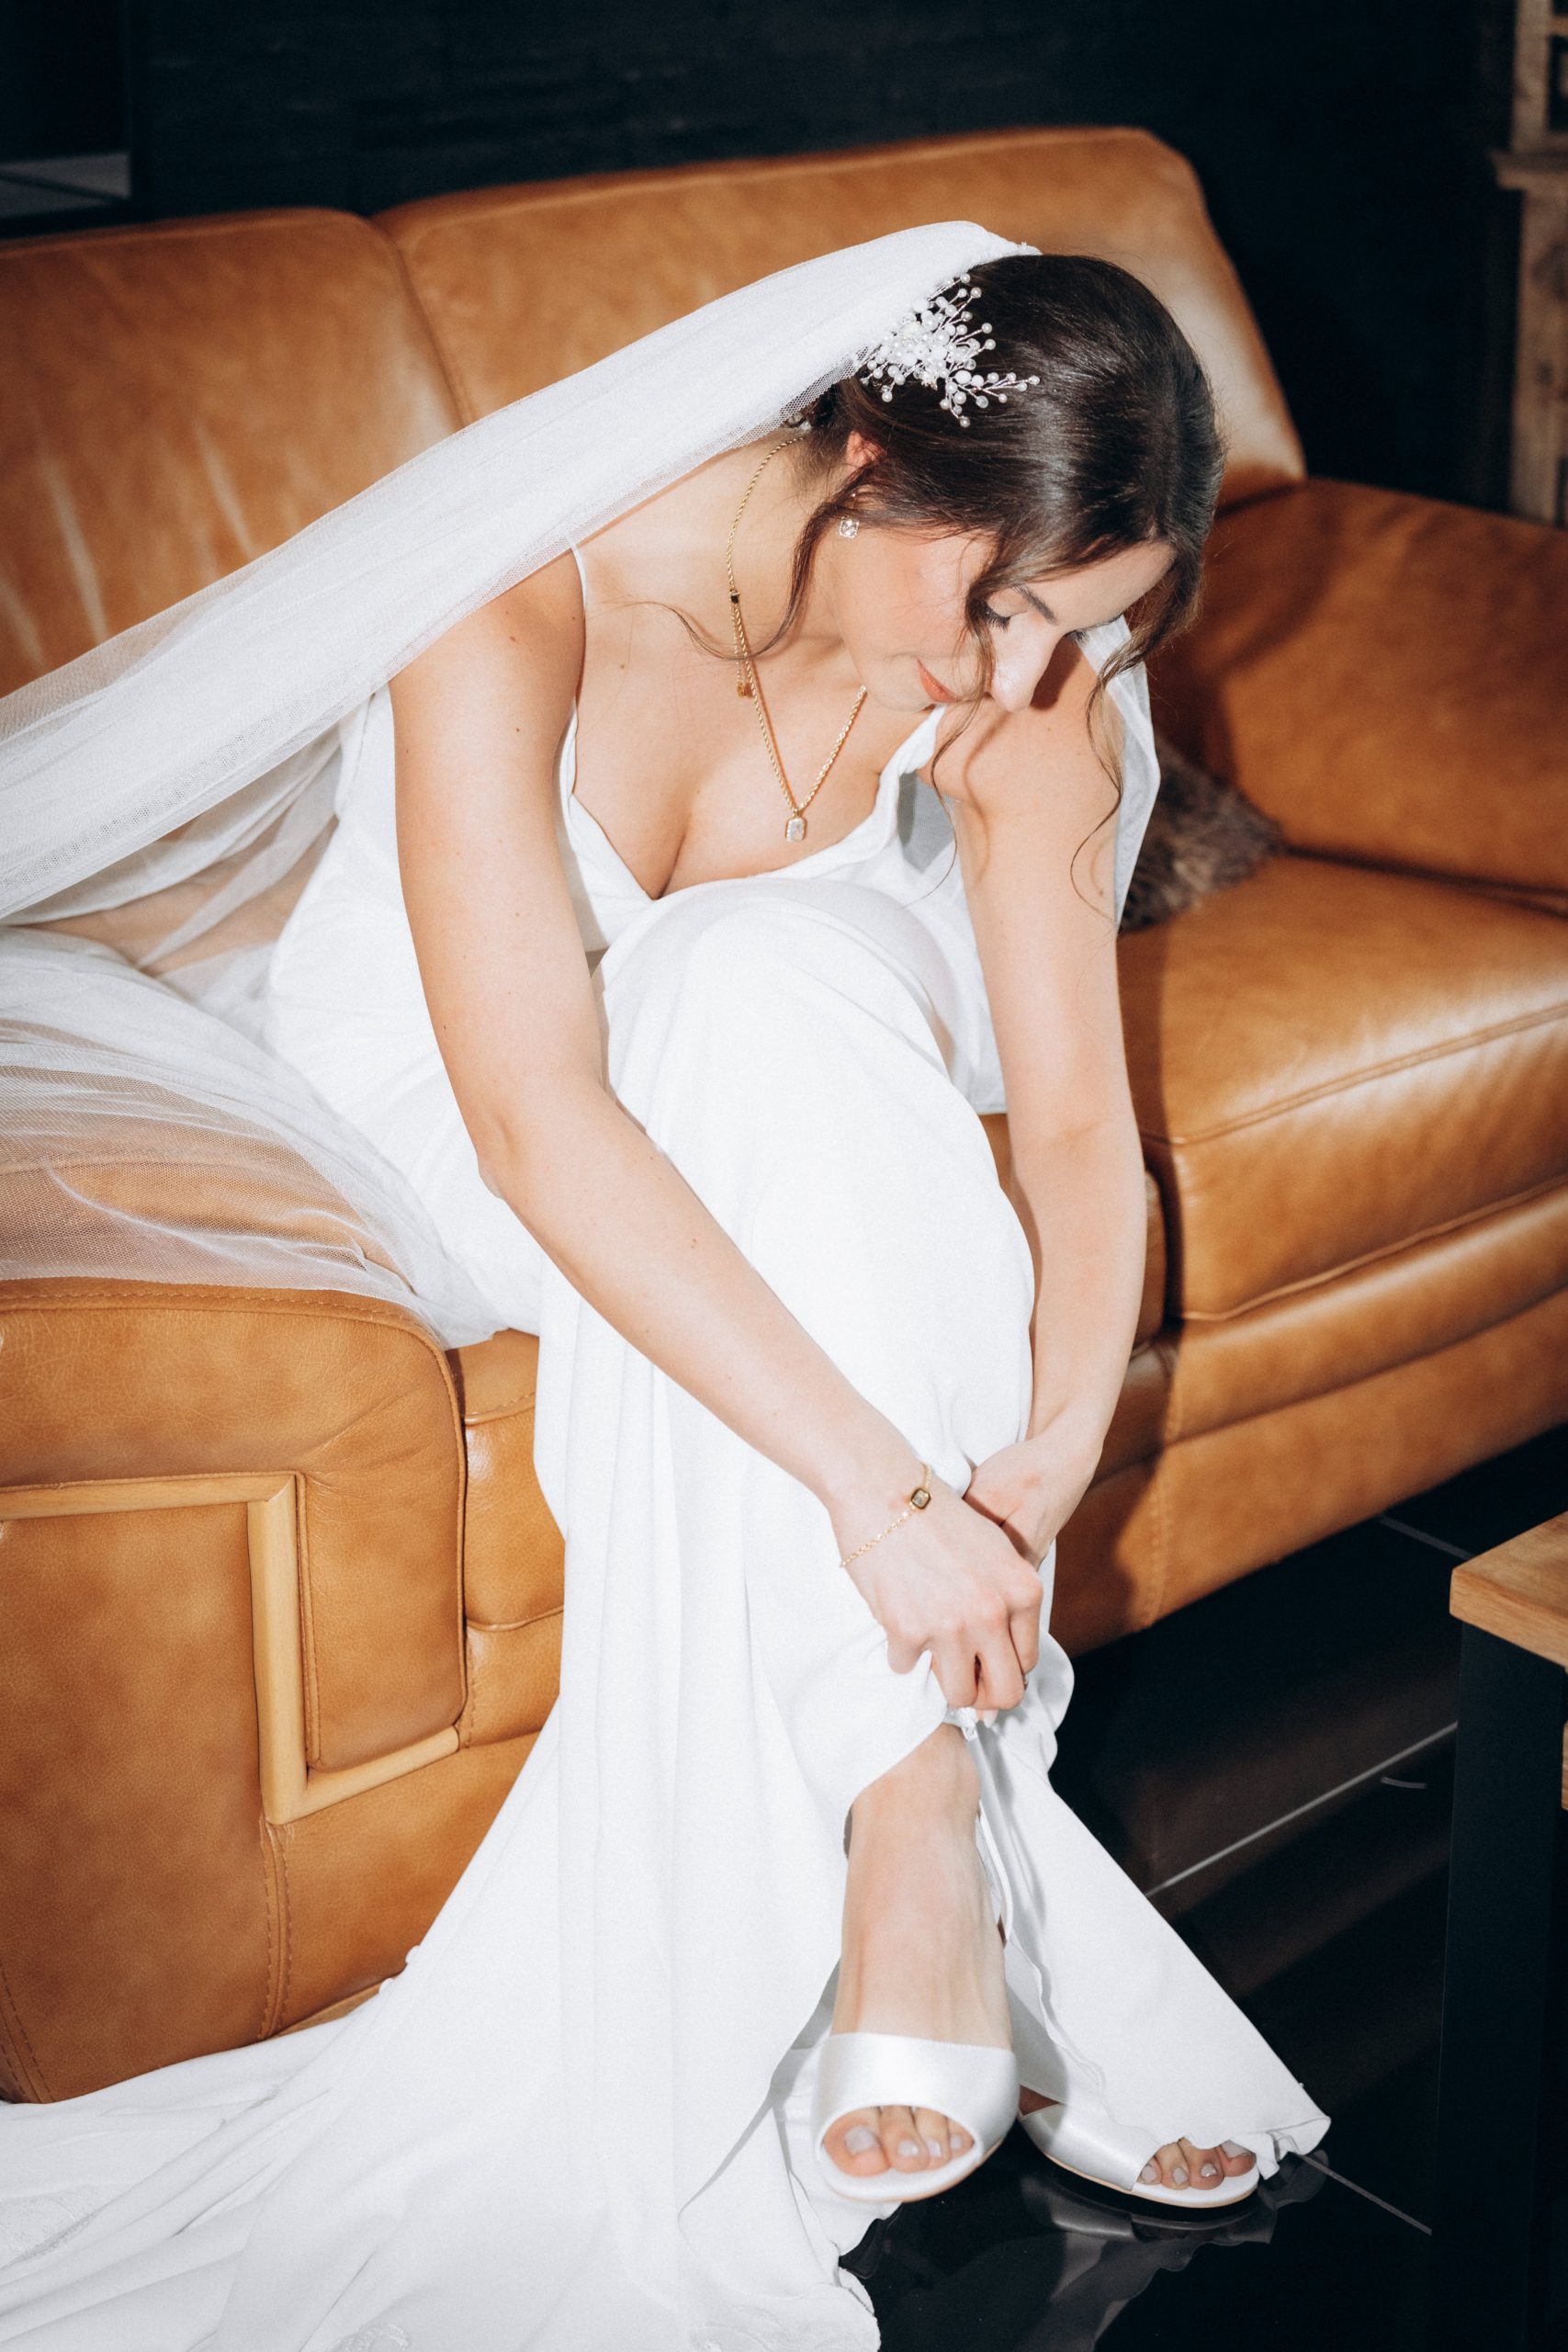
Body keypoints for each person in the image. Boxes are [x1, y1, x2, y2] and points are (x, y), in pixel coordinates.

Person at [0, 232, 1328, 2351]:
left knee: (764, 970)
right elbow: (534, 1115)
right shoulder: (523, 598)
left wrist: (1044, 1458)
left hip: (770, 1102)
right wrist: (887, 1495)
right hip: (468, 1114)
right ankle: (938, 1828)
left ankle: (912, 1848)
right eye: (992, 604)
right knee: (741, 990)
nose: (1013, 677)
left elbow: (1079, 1131)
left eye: (1077, 627)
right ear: (866, 465)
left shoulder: (1035, 700)